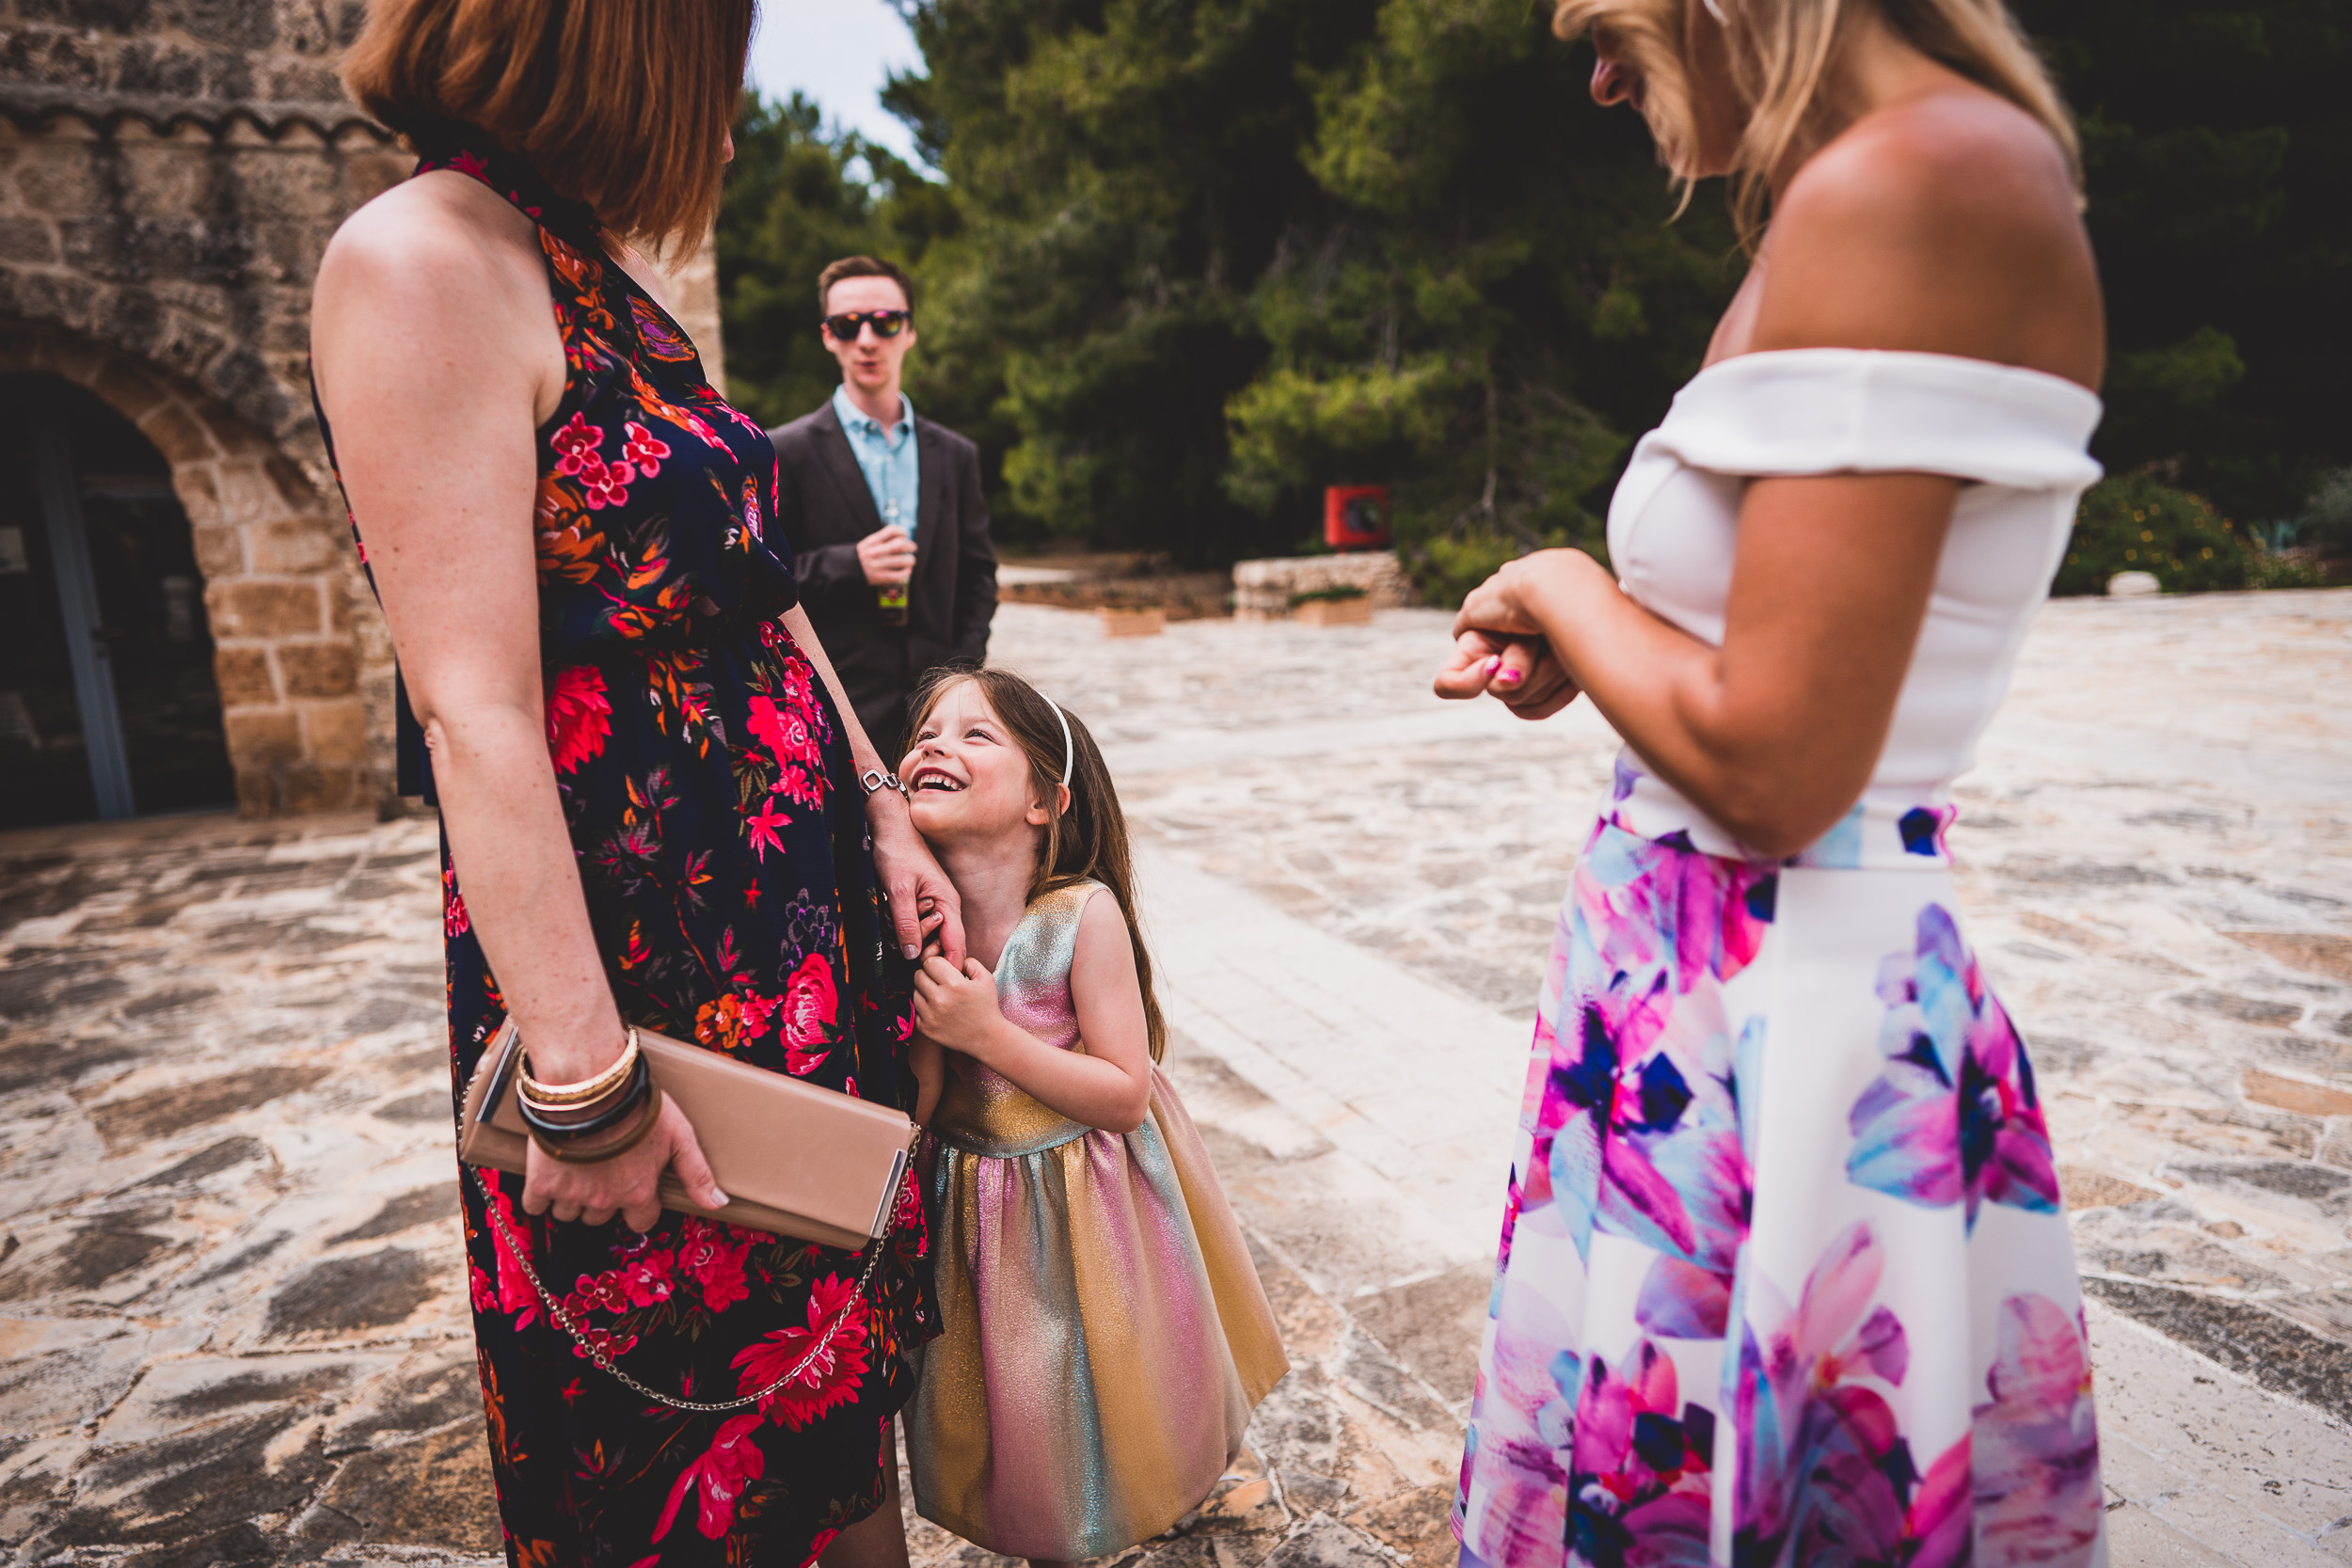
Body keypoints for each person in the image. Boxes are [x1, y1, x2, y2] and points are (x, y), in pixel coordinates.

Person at [1435, 0, 2108, 1562]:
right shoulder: (1849, 199)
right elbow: (1770, 647)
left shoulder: (1914, 184)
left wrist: (1557, 580)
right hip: (1691, 1003)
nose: (1599, 79)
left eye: (1601, 29)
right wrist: (1595, 656)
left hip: (1785, 1012)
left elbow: (1778, 766)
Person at [310, 4, 964, 1563]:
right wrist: (585, 1082)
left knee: (824, 1410)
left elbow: (750, 580)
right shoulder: (422, 263)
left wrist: (877, 803)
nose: (732, 118)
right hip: (642, 985)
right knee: (683, 1454)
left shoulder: (593, 271)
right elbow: (472, 706)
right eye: (717, 65)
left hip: (781, 953)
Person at [892, 668, 1288, 1567]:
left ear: (1045, 800)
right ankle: (1048, 1537)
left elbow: (1123, 1090)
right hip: (982, 1210)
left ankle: (1118, 1505)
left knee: (1105, 1375)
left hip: (1091, 1195)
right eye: (924, 733)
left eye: (974, 734)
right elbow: (922, 1101)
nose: (933, 747)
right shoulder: (914, 922)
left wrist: (987, 1032)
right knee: (1020, 1392)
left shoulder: (1079, 915)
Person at [770, 257, 997, 756]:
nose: (867, 339)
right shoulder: (782, 452)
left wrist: (959, 677)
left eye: (885, 321)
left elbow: (979, 576)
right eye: (848, 326)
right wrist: (850, 564)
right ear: (828, 336)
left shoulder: (956, 454)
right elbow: (764, 579)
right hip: (832, 710)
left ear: (910, 331)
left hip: (940, 715)